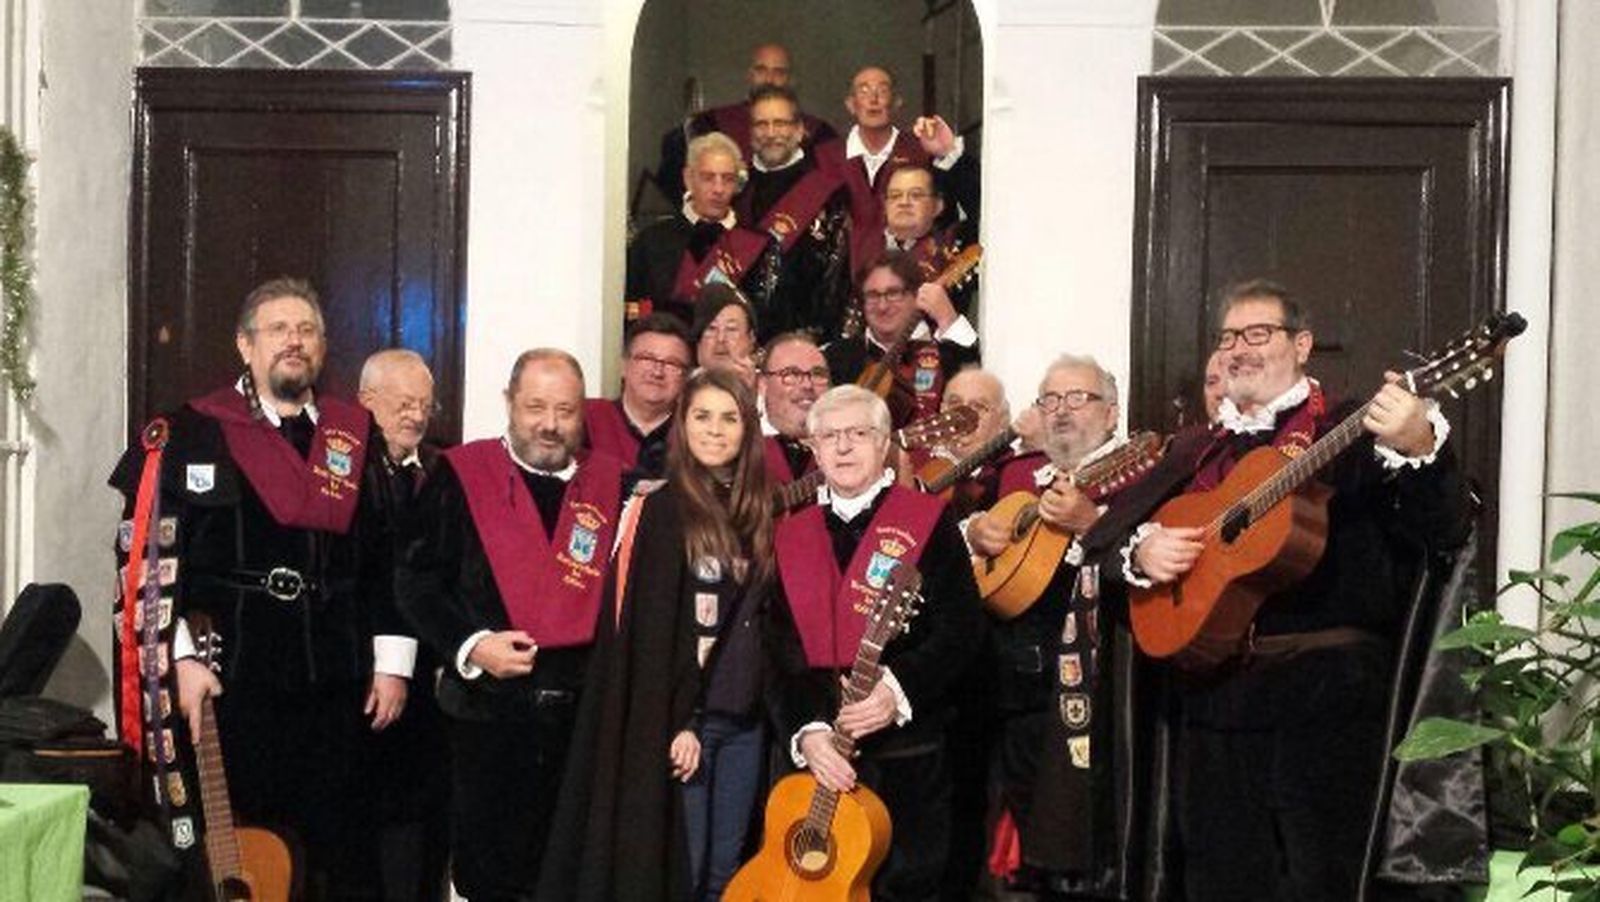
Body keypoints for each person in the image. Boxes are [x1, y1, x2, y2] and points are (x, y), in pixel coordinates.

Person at [1083, 279, 1474, 901]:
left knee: (1321, 878)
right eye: (1229, 336)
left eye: (1257, 333)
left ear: (1302, 345)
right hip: (1213, 701)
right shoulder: (1195, 447)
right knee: (1217, 878)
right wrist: (1143, 549)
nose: (1239, 349)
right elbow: (1100, 541)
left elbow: (1444, 529)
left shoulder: (1351, 425)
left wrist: (1421, 444)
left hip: (1329, 703)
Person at [108, 277, 407, 898]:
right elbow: (153, 561)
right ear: (245, 346)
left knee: (341, 852)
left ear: (322, 348)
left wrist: (392, 664)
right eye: (277, 329)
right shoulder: (191, 431)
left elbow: (388, 558)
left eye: (306, 330)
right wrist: (180, 661)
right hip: (234, 677)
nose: (293, 342)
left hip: (339, 678)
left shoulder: (356, 435)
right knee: (245, 849)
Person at [541, 368, 781, 902]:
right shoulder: (663, 508)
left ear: (748, 430)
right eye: (701, 416)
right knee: (682, 874)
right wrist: (681, 720)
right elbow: (652, 632)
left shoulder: (760, 512)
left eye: (729, 418)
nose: (715, 430)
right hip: (687, 726)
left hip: (746, 724)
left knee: (726, 875)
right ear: (681, 424)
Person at [396, 349, 626, 900]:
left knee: (570, 873)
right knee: (487, 874)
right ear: (509, 404)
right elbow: (414, 581)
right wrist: (472, 647)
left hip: (582, 724)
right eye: (535, 407)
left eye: (565, 410)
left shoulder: (616, 485)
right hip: (486, 717)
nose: (549, 424)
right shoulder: (460, 475)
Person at [774, 384, 985, 900]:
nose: (843, 447)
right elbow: (778, 650)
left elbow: (963, 632)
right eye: (830, 436)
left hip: (907, 758)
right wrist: (808, 733)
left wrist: (896, 691)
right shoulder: (789, 533)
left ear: (885, 442)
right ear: (815, 449)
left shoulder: (929, 522)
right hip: (819, 762)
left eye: (858, 434)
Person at [963, 355, 1130, 894]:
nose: (1061, 412)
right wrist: (975, 532)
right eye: (1049, 400)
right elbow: (972, 534)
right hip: (1017, 696)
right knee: (1025, 856)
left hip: (1098, 697)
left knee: (1088, 851)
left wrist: (1093, 524)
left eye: (1077, 398)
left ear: (1112, 413)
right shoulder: (1018, 478)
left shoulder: (1139, 472)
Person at [355, 347, 450, 902]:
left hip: (435, 673)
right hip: (368, 671)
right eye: (403, 403)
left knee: (430, 806)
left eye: (423, 404)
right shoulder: (346, 473)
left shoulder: (442, 471)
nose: (416, 414)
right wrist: (389, 664)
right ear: (367, 402)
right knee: (380, 806)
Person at [731, 84, 853, 340]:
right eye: (761, 124)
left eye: (781, 123)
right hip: (738, 341)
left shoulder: (827, 193)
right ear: (751, 133)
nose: (771, 133)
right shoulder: (733, 192)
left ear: (799, 131)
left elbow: (837, 278)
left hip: (805, 342)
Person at [656, 42, 838, 204]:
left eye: (779, 72)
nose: (769, 79)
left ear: (790, 79)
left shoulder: (820, 133)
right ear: (749, 75)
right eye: (761, 70)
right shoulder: (707, 124)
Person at [815, 66, 979, 242]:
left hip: (916, 264)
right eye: (864, 90)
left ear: (897, 102)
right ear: (850, 104)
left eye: (883, 90)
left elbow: (977, 209)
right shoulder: (824, 157)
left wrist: (947, 153)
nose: (873, 99)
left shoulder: (923, 151)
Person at [823, 250, 979, 428]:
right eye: (873, 295)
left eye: (893, 293)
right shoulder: (835, 357)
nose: (882, 306)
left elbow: (975, 383)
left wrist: (947, 319)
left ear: (916, 296)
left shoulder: (947, 351)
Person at [628, 132, 768, 327]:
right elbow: (629, 311)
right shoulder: (651, 241)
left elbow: (765, 320)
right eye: (708, 177)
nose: (718, 189)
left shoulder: (760, 245)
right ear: (688, 178)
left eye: (727, 179)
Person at [850, 165, 978, 315]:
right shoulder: (859, 247)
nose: (904, 202)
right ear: (885, 205)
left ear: (938, 206)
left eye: (916, 195)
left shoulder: (952, 246)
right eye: (895, 195)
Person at [585, 313, 693, 483]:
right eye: (647, 358)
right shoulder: (588, 419)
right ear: (624, 366)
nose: (657, 372)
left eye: (672, 363)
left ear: (686, 378)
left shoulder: (695, 433)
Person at [758, 330, 831, 485]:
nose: (807, 385)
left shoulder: (847, 448)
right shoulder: (743, 449)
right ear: (762, 385)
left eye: (817, 374)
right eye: (791, 374)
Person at [692, 283, 760, 389]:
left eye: (731, 329)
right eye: (712, 328)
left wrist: (748, 395)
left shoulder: (772, 391)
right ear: (698, 343)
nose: (720, 339)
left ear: (751, 339)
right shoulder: (678, 391)